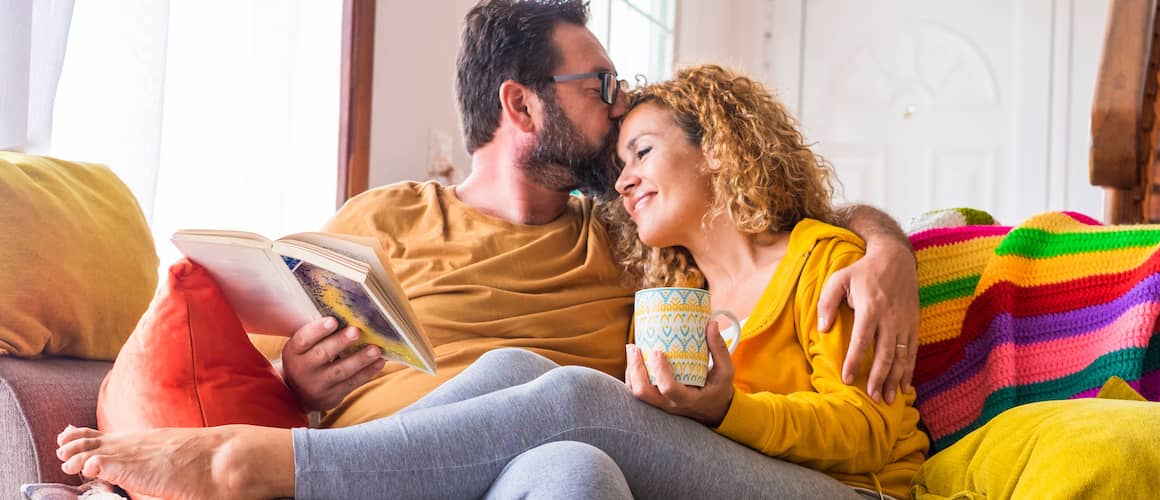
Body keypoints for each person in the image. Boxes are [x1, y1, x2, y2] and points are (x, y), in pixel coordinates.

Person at [56, 0, 922, 497]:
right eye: (600, 90)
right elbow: (269, 352)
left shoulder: (636, 246)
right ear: (520, 105)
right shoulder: (382, 216)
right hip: (414, 472)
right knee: (549, 423)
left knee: (575, 430)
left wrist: (889, 252)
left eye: (641, 145)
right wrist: (297, 382)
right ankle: (269, 460)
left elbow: (786, 225)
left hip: (581, 468)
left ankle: (257, 468)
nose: (618, 117)